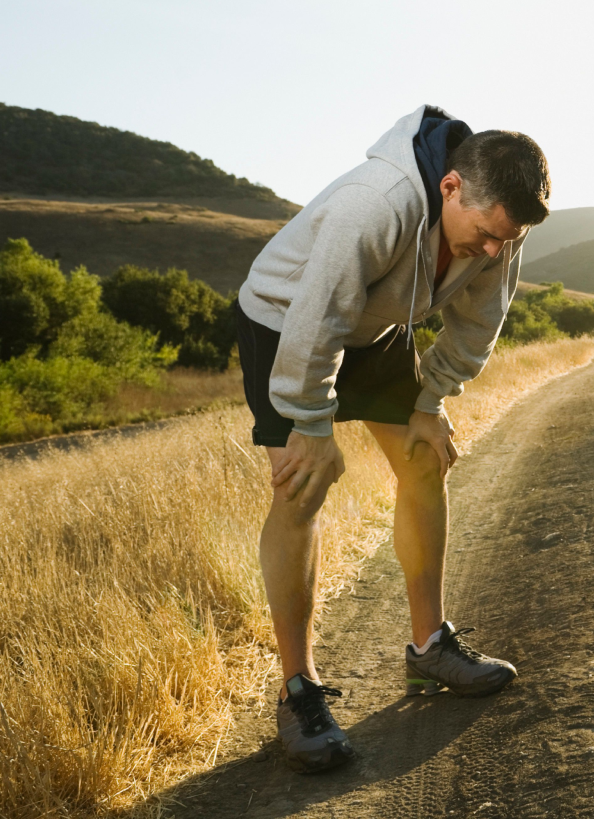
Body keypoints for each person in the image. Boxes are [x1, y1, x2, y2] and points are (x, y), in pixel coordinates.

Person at [232, 104, 550, 773]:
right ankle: (299, 692)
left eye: (508, 239)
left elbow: (477, 324)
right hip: (286, 321)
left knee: (425, 461)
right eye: (488, 234)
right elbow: (317, 317)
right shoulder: (372, 205)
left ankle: (430, 646)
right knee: (302, 490)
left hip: (376, 327)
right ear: (449, 188)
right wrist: (311, 426)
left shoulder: (499, 227)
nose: (494, 251)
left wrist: (431, 401)